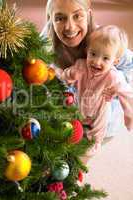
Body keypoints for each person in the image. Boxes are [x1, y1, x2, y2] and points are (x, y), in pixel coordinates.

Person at [41, 0, 133, 137]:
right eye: (60, 18)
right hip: (73, 111)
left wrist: (115, 87)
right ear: (51, 21)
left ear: (89, 15)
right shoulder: (45, 44)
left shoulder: (104, 40)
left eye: (77, 16)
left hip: (102, 112)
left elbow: (130, 65)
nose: (70, 27)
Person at [55, 25, 133, 161]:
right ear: (87, 51)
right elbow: (66, 75)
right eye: (93, 54)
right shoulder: (80, 65)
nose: (97, 61)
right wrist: (69, 75)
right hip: (79, 103)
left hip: (99, 109)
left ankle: (95, 143)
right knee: (70, 115)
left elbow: (127, 94)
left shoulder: (113, 77)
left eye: (105, 58)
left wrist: (129, 115)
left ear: (115, 61)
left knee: (98, 129)